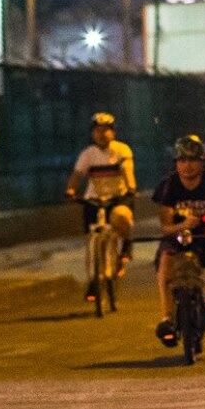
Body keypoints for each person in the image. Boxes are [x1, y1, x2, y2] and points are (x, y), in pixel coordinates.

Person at [152, 134, 205, 346]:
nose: (187, 166)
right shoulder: (168, 185)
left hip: (204, 237)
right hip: (177, 237)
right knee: (165, 262)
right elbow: (165, 226)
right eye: (182, 160)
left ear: (202, 162)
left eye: (193, 160)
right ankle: (166, 318)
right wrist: (183, 225)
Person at [66, 111, 137, 298]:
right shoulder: (88, 154)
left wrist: (131, 187)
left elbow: (128, 171)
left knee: (122, 216)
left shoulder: (122, 150)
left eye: (106, 130)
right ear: (92, 133)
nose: (101, 134)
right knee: (92, 242)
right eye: (97, 130)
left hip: (117, 198)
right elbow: (77, 175)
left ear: (113, 133)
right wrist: (71, 190)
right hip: (94, 200)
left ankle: (126, 246)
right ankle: (93, 281)